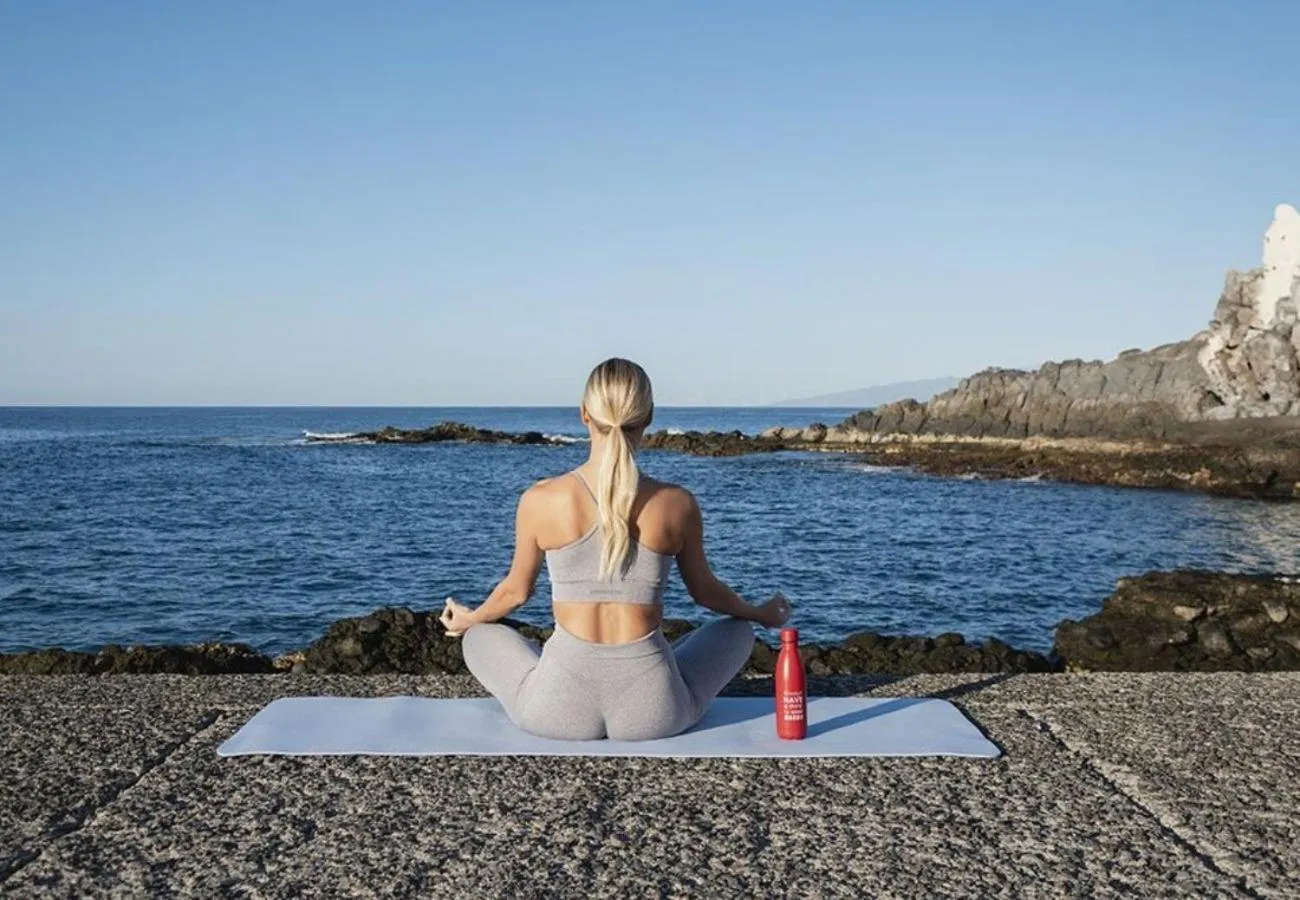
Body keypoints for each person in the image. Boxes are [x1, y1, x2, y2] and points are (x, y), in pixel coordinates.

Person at [440, 357, 793, 741]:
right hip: (655, 714)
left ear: (584, 415)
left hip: (556, 711)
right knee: (738, 632)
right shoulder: (676, 503)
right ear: (649, 417)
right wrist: (760, 613)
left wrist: (469, 619)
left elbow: (515, 592)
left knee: (479, 637)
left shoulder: (540, 500)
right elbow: (706, 593)